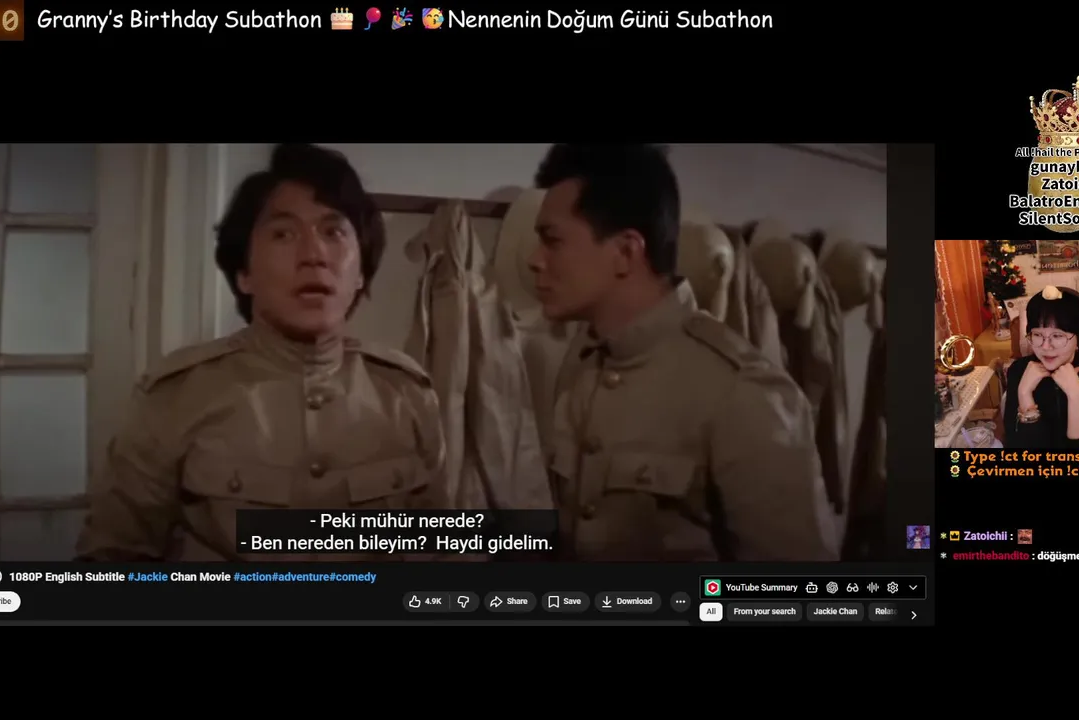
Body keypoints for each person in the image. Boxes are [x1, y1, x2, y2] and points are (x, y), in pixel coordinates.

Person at [76, 144, 450, 562]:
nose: (314, 255)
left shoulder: (407, 393)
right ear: (244, 274)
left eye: (333, 233)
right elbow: (112, 558)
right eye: (283, 234)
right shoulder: (175, 397)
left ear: (360, 272)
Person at [527, 144, 839, 561]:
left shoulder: (741, 389)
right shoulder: (583, 361)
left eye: (552, 241)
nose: (534, 260)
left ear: (625, 252)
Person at [1004, 285, 1079, 449]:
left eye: (1058, 336)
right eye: (1037, 334)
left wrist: (1075, 396)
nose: (1045, 347)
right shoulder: (1018, 371)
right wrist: (1024, 394)